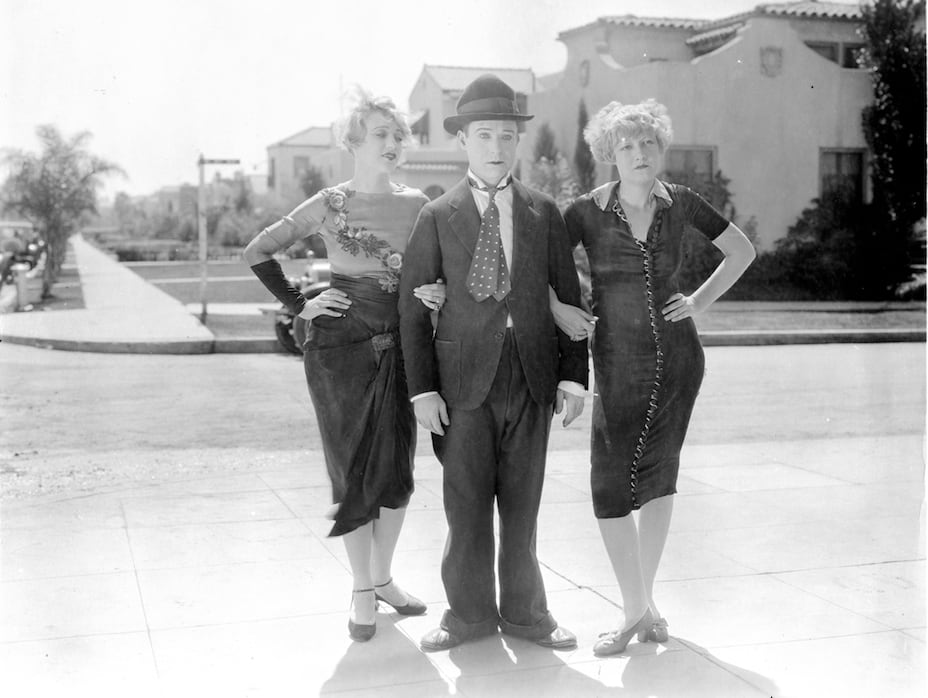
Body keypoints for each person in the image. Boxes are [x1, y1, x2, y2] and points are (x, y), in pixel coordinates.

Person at [550, 99, 756, 656]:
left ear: (661, 148)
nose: (639, 153)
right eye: (626, 145)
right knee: (609, 485)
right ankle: (642, 609)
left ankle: (637, 611)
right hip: (616, 361)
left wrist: (699, 301)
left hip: (680, 359)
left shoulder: (681, 201)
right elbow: (535, 266)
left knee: (661, 478)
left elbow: (741, 250)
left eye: (648, 143)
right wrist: (557, 306)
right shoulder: (585, 211)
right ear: (609, 154)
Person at [244, 90, 446, 643]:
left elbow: (436, 270)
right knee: (352, 472)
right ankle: (361, 588)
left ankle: (383, 578)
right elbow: (258, 250)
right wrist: (300, 304)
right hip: (339, 349)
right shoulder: (329, 203)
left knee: (398, 472)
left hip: (402, 343)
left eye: (398, 135)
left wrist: (435, 289)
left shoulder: (419, 203)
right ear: (353, 142)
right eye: (381, 134)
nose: (392, 143)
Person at [398, 74, 589, 652]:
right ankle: (467, 616)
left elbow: (568, 299)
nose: (497, 147)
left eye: (507, 135)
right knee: (466, 507)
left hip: (530, 373)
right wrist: (422, 390)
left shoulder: (542, 211)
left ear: (518, 141)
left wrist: (573, 377)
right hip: (461, 382)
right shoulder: (437, 215)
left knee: (523, 507)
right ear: (462, 140)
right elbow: (412, 310)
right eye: (484, 135)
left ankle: (528, 615)